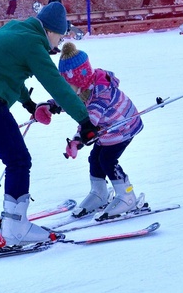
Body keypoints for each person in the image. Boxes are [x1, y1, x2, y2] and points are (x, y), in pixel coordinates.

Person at [0, 2, 98, 247]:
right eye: (59, 36)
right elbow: (56, 84)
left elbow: (5, 69)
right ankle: (15, 227)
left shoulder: (17, 29)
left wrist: (28, 103)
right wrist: (85, 120)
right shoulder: (33, 43)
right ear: (50, 31)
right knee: (18, 160)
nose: (58, 44)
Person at [58, 42, 144, 220]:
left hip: (123, 127)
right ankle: (99, 193)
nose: (66, 89)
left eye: (67, 84)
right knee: (95, 158)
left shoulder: (101, 92)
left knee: (107, 159)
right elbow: (74, 105)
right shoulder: (83, 89)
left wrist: (78, 140)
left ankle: (127, 195)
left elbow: (91, 120)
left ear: (78, 80)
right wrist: (51, 106)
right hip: (107, 130)